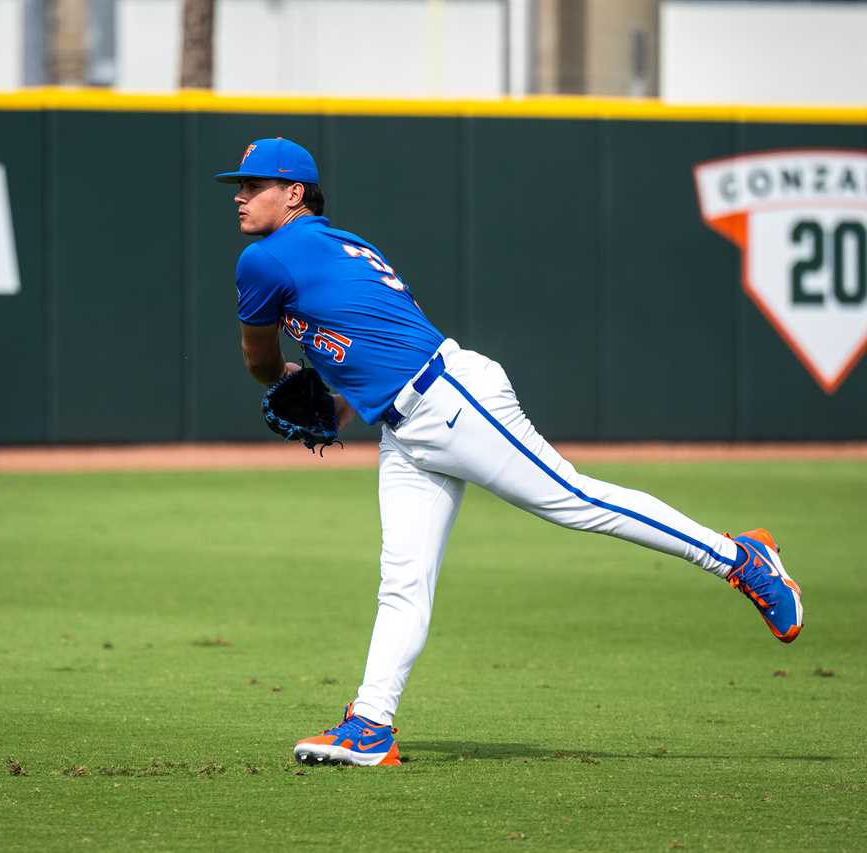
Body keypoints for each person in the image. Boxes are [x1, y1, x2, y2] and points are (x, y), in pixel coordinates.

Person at [215, 137, 804, 768]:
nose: (242, 197)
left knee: (575, 501)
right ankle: (370, 725)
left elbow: (259, 358)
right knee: (402, 581)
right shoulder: (347, 244)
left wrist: (279, 383)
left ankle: (740, 556)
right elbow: (375, 343)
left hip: (452, 401)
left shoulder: (265, 261)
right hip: (406, 424)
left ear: (294, 193)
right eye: (239, 187)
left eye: (255, 185)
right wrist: (338, 406)